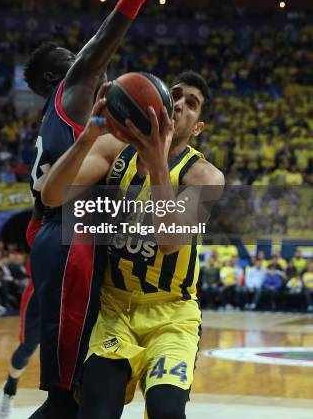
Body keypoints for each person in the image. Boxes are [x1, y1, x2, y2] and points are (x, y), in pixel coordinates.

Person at [0, 0, 198, 419]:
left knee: (81, 400)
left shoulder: (57, 122)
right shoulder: (78, 85)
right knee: (69, 404)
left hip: (61, 236)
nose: (106, 69)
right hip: (70, 245)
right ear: (71, 68)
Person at [41, 70, 224, 419]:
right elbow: (51, 195)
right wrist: (88, 136)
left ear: (197, 128)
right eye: (177, 94)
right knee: (94, 413)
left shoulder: (206, 177)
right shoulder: (114, 149)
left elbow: (169, 242)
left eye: (193, 104)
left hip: (171, 314)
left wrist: (158, 158)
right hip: (115, 311)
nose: (181, 104)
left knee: (166, 412)